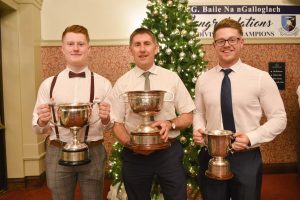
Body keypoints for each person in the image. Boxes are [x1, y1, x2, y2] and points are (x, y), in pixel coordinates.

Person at [193, 18, 287, 200]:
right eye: (221, 41)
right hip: (211, 156)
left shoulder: (261, 78)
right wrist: (198, 129)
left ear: (241, 42)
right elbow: (199, 112)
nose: (226, 45)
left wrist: (251, 138)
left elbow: (279, 118)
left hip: (246, 157)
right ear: (214, 45)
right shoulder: (203, 79)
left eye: (232, 40)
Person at [109, 27, 195, 200]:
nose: (142, 49)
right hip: (134, 156)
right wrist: (130, 143)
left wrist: (170, 123)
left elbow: (188, 115)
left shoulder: (172, 78)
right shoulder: (122, 83)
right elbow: (116, 122)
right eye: (137, 44)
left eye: (147, 44)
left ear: (156, 48)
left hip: (168, 152)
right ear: (130, 50)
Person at [32, 25, 112, 200]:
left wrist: (106, 119)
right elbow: (36, 127)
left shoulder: (104, 84)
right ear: (62, 48)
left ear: (89, 48)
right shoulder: (48, 84)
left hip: (93, 150)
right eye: (70, 43)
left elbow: (108, 127)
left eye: (80, 44)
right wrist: (42, 121)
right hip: (57, 150)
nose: (75, 48)